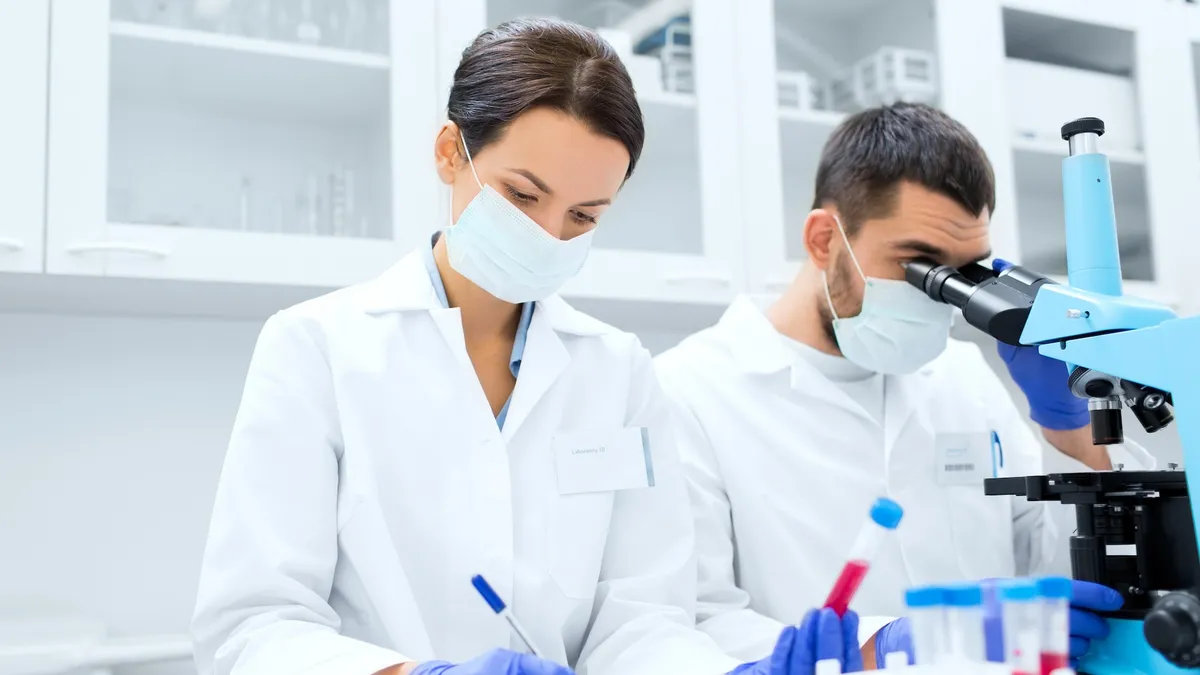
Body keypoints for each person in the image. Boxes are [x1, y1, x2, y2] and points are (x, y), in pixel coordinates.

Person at [191, 18, 861, 675]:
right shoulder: (316, 346)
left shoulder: (618, 370)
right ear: (451, 152)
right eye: (521, 194)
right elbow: (254, 625)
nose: (547, 233)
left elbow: (640, 619)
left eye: (582, 216)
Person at [654, 103, 1136, 669]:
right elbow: (699, 622)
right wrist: (887, 644)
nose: (941, 296)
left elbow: (1063, 572)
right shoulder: (689, 390)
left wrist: (1069, 425)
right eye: (918, 266)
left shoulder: (964, 378)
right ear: (822, 240)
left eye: (963, 273)